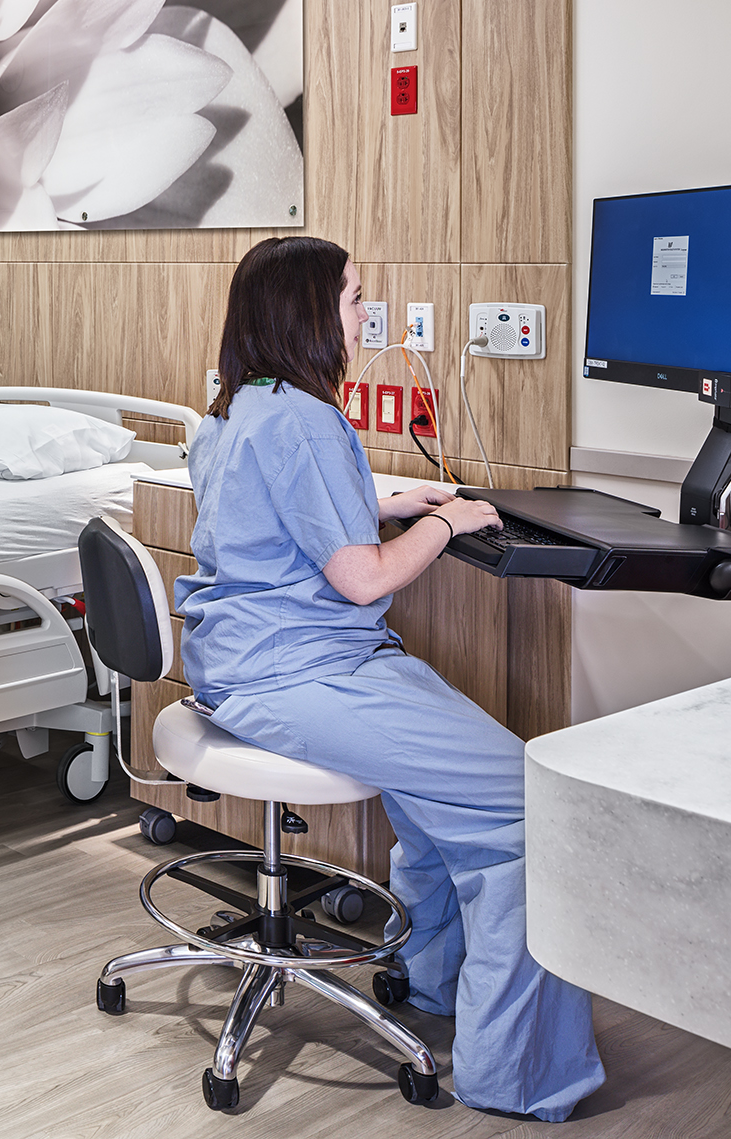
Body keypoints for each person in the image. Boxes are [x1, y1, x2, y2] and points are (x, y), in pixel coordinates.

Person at [172, 235, 605, 1122]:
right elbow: (363, 578)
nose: (366, 314)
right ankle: (518, 1072)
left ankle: (434, 975)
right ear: (307, 311)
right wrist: (451, 523)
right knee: (532, 798)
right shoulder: (301, 416)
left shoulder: (234, 409)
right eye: (355, 297)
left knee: (444, 789)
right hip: (300, 672)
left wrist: (384, 500)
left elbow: (269, 506)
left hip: (251, 659)